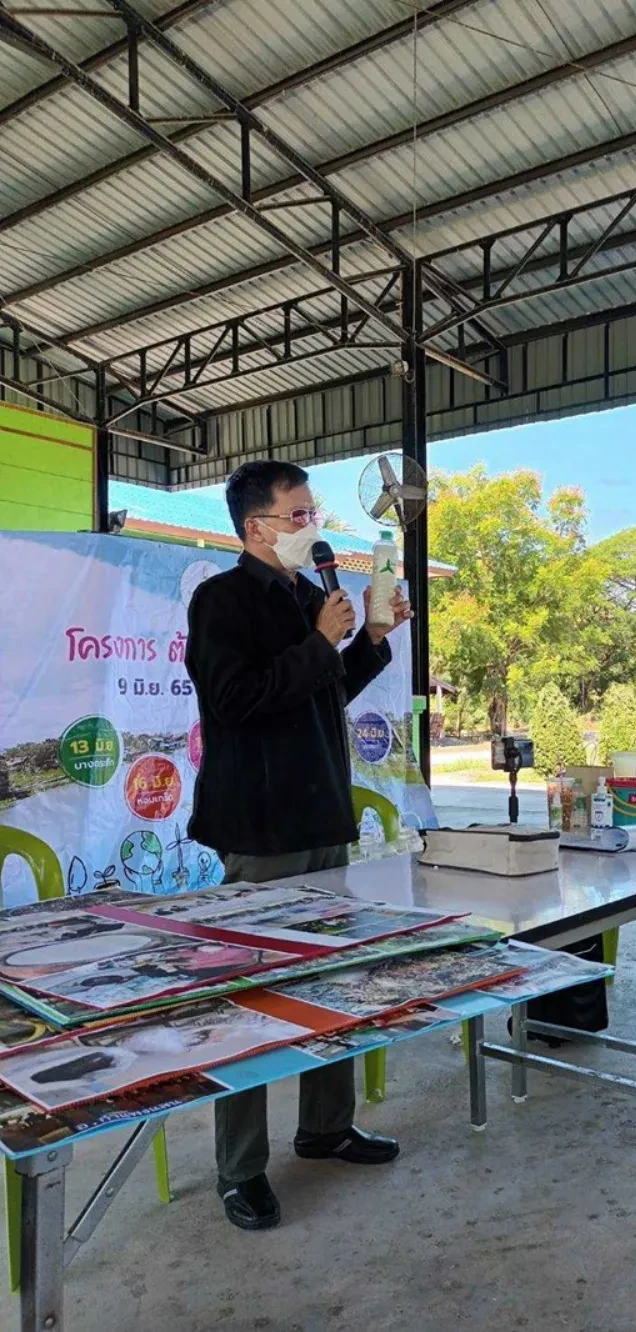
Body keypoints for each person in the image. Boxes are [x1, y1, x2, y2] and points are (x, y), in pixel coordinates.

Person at [185, 460, 412, 1231]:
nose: (312, 526)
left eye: (315, 511)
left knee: (331, 985)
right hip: (260, 828)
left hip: (321, 817)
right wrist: (321, 640)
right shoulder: (221, 601)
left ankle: (325, 1127)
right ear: (255, 528)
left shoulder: (310, 596)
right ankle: (240, 1169)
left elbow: (325, 689)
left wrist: (371, 639)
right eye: (298, 514)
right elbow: (236, 700)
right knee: (251, 1003)